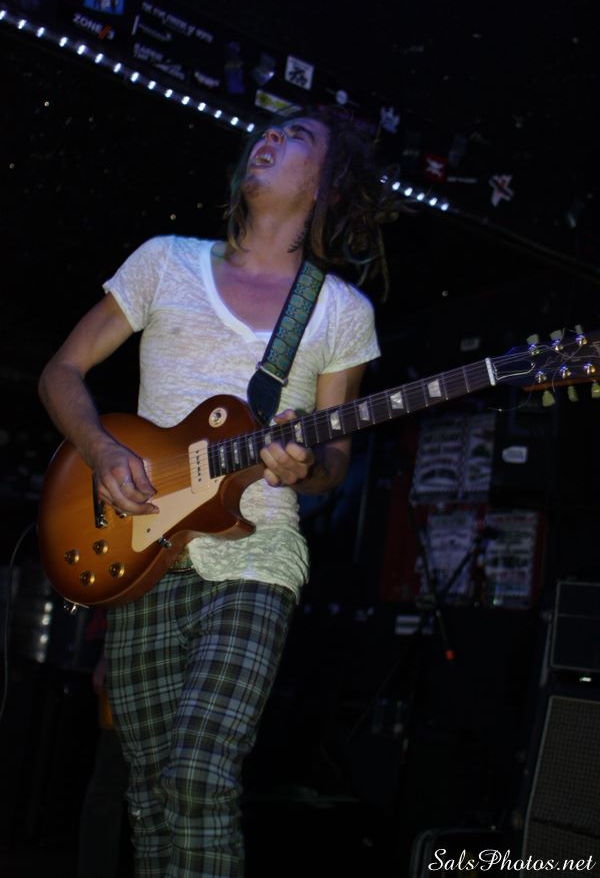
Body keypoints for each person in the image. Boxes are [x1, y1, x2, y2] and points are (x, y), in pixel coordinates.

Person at [38, 106, 394, 877]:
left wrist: (307, 467)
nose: (270, 137)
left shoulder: (340, 311)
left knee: (199, 775)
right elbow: (60, 371)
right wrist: (102, 450)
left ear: (327, 186)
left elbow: (333, 460)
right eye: (268, 131)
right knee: (149, 798)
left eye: (296, 137)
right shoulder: (165, 261)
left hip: (256, 556)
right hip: (143, 553)